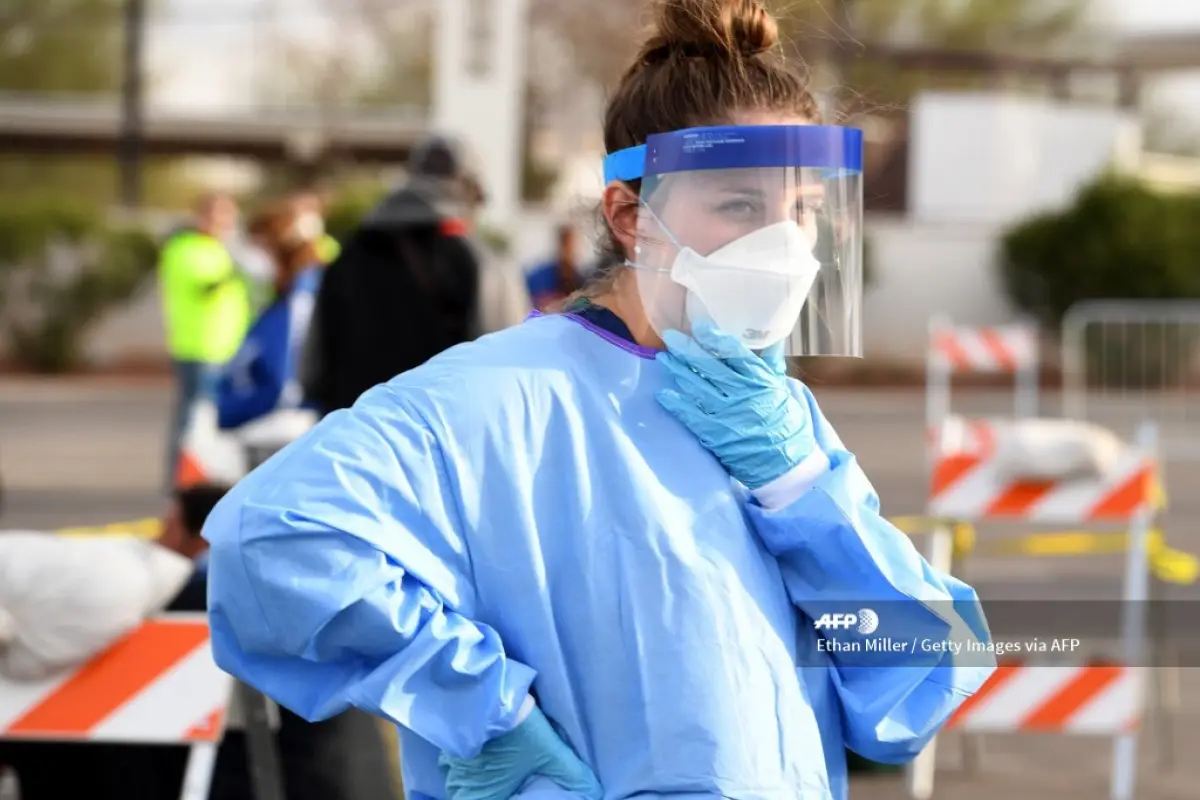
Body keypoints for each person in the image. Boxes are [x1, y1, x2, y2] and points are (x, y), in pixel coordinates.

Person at [202, 3, 996, 800]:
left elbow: (918, 679)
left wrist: (801, 491)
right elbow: (271, 540)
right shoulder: (497, 396)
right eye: (739, 205)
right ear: (629, 213)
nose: (785, 246)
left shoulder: (775, 422)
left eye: (803, 211)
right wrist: (483, 710)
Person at [300, 134, 492, 415]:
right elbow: (499, 378)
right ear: (470, 190)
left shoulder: (351, 253)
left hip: (350, 440)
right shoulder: (476, 260)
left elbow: (313, 371)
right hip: (437, 443)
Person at [159, 192, 253, 489]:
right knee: (193, 418)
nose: (225, 222)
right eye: (219, 215)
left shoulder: (219, 249)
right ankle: (181, 481)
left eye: (229, 216)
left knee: (212, 420)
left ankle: (201, 477)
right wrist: (236, 268)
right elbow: (204, 286)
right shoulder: (184, 248)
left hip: (227, 348)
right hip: (199, 348)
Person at [213, 201, 325, 432]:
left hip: (285, 430)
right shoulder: (287, 295)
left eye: (257, 245)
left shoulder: (300, 301)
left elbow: (286, 385)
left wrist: (229, 413)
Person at [525, 224, 584, 311]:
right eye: (567, 244)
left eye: (574, 245)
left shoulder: (580, 277)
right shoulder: (541, 276)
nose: (571, 250)